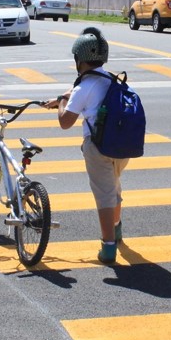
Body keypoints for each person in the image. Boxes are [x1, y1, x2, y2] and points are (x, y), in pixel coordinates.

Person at [44, 26, 129, 264]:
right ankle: (117, 229)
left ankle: (109, 247)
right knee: (114, 188)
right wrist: (66, 96)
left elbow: (65, 121)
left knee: (104, 196)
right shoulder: (111, 78)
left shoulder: (83, 87)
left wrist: (62, 102)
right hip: (122, 145)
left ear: (79, 60)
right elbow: (84, 92)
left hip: (99, 147)